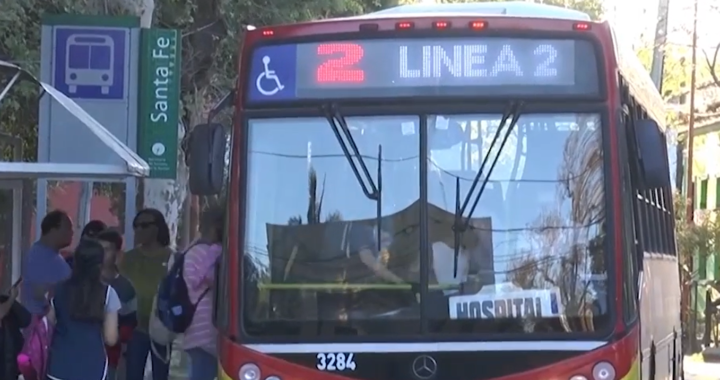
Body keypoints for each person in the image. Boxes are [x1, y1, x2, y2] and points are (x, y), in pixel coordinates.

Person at [46, 238, 121, 380]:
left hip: (59, 365)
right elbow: (110, 338)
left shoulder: (58, 289)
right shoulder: (108, 293)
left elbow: (49, 324)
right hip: (92, 368)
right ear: (100, 264)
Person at [120, 209, 173, 380]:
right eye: (136, 226)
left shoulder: (173, 258)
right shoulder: (128, 259)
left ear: (157, 228)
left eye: (144, 225)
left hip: (162, 329)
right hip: (135, 329)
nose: (138, 230)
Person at [183, 207, 224, 380]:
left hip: (193, 328)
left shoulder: (190, 251)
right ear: (216, 228)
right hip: (206, 329)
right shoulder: (208, 252)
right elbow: (216, 281)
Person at [97, 230, 137, 380]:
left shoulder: (126, 288)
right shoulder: (85, 282)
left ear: (118, 254)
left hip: (111, 357)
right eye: (99, 249)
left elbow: (130, 323)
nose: (101, 254)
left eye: (107, 249)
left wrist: (113, 335)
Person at [22, 210, 73, 316]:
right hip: (41, 325)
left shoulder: (55, 257)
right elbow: (39, 292)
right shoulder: (37, 257)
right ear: (53, 230)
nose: (72, 232)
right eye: (68, 227)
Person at [0, 280, 30, 380]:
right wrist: (12, 298)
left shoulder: (5, 303)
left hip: (9, 367)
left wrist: (9, 299)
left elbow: (26, 320)